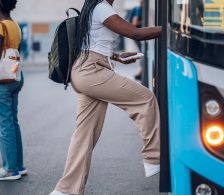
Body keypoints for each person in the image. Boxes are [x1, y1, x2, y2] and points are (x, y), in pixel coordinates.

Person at [50, 0, 161, 194]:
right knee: (145, 99)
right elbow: (136, 33)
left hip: (86, 70)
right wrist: (172, 27)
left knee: (84, 135)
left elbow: (92, 44)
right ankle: (154, 158)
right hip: (92, 72)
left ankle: (66, 190)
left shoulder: (94, 8)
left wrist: (117, 56)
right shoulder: (102, 8)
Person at [0, 0, 27, 181]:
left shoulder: (1, 26)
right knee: (12, 121)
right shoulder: (14, 25)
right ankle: (18, 165)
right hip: (15, 75)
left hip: (3, 78)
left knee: (5, 124)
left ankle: (11, 170)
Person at [131, 0, 144, 80]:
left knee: (143, 53)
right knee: (143, 53)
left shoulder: (139, 8)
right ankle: (140, 72)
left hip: (138, 36)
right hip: (139, 35)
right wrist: (148, 20)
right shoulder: (139, 8)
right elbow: (134, 23)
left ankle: (140, 71)